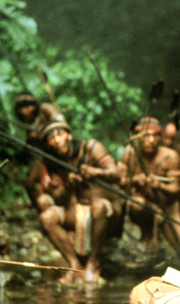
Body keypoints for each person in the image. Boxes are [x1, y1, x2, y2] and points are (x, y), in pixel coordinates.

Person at [37, 119, 124, 284]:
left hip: (106, 209)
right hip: (77, 211)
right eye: (51, 138)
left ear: (68, 135)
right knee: (46, 217)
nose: (56, 140)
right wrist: (70, 185)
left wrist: (96, 172)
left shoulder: (91, 147)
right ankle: (74, 265)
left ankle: (93, 262)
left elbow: (117, 174)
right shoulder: (53, 161)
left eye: (59, 134)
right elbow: (59, 198)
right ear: (48, 145)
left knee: (98, 206)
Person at [118, 117, 180, 251]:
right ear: (138, 137)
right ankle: (146, 233)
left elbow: (176, 188)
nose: (151, 140)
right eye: (147, 136)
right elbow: (120, 181)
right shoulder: (130, 153)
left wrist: (159, 185)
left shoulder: (170, 156)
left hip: (169, 207)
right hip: (144, 205)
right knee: (137, 204)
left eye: (155, 136)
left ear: (160, 137)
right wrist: (135, 179)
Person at [14, 91, 64, 212]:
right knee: (29, 183)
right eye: (21, 108)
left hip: (61, 154)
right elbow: (31, 142)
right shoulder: (28, 121)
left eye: (27, 106)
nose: (25, 111)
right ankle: (43, 213)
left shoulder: (46, 109)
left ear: (35, 105)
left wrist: (42, 132)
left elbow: (62, 126)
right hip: (43, 157)